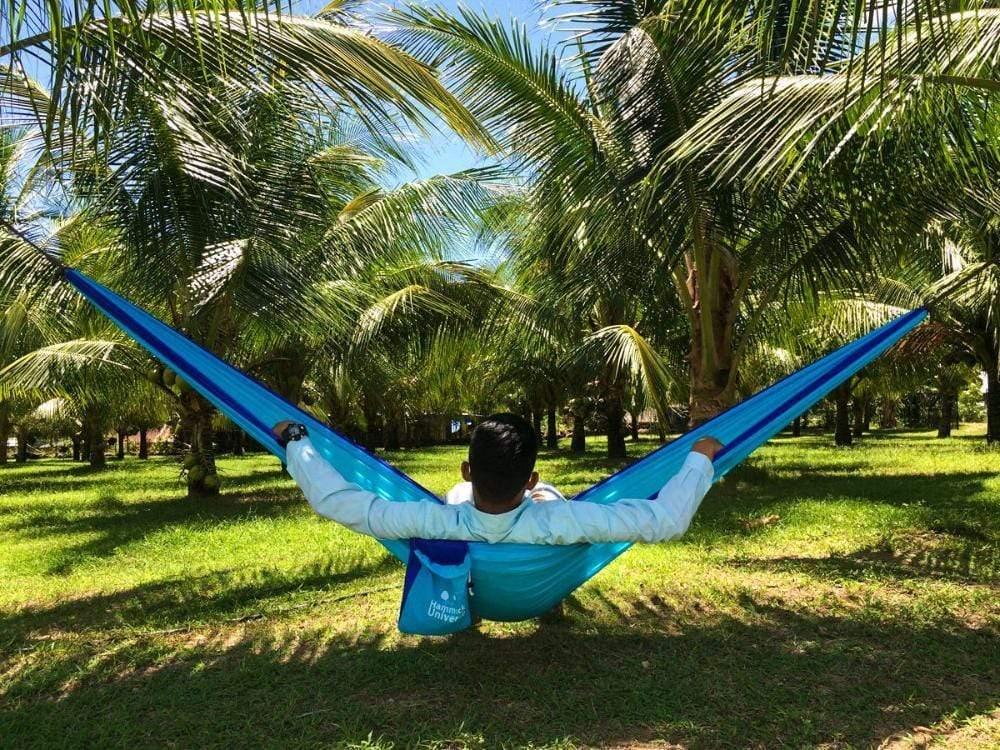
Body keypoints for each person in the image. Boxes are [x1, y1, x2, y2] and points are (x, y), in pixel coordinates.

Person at [273, 413, 722, 545]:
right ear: (531, 479)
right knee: (552, 503)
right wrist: (700, 458)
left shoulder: (436, 521)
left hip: (466, 522)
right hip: (540, 520)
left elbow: (337, 501)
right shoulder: (565, 522)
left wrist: (297, 440)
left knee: (454, 500)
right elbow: (666, 519)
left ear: (467, 471)